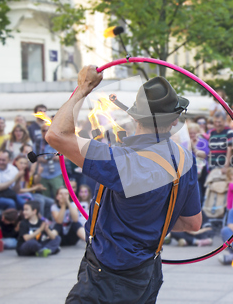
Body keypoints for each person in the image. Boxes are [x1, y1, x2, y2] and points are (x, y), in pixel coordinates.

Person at [46, 66, 202, 303]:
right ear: (175, 120)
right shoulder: (186, 161)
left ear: (133, 116)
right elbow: (192, 223)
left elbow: (56, 135)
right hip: (147, 273)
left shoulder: (121, 160)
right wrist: (151, 223)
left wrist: (83, 89)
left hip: (107, 276)